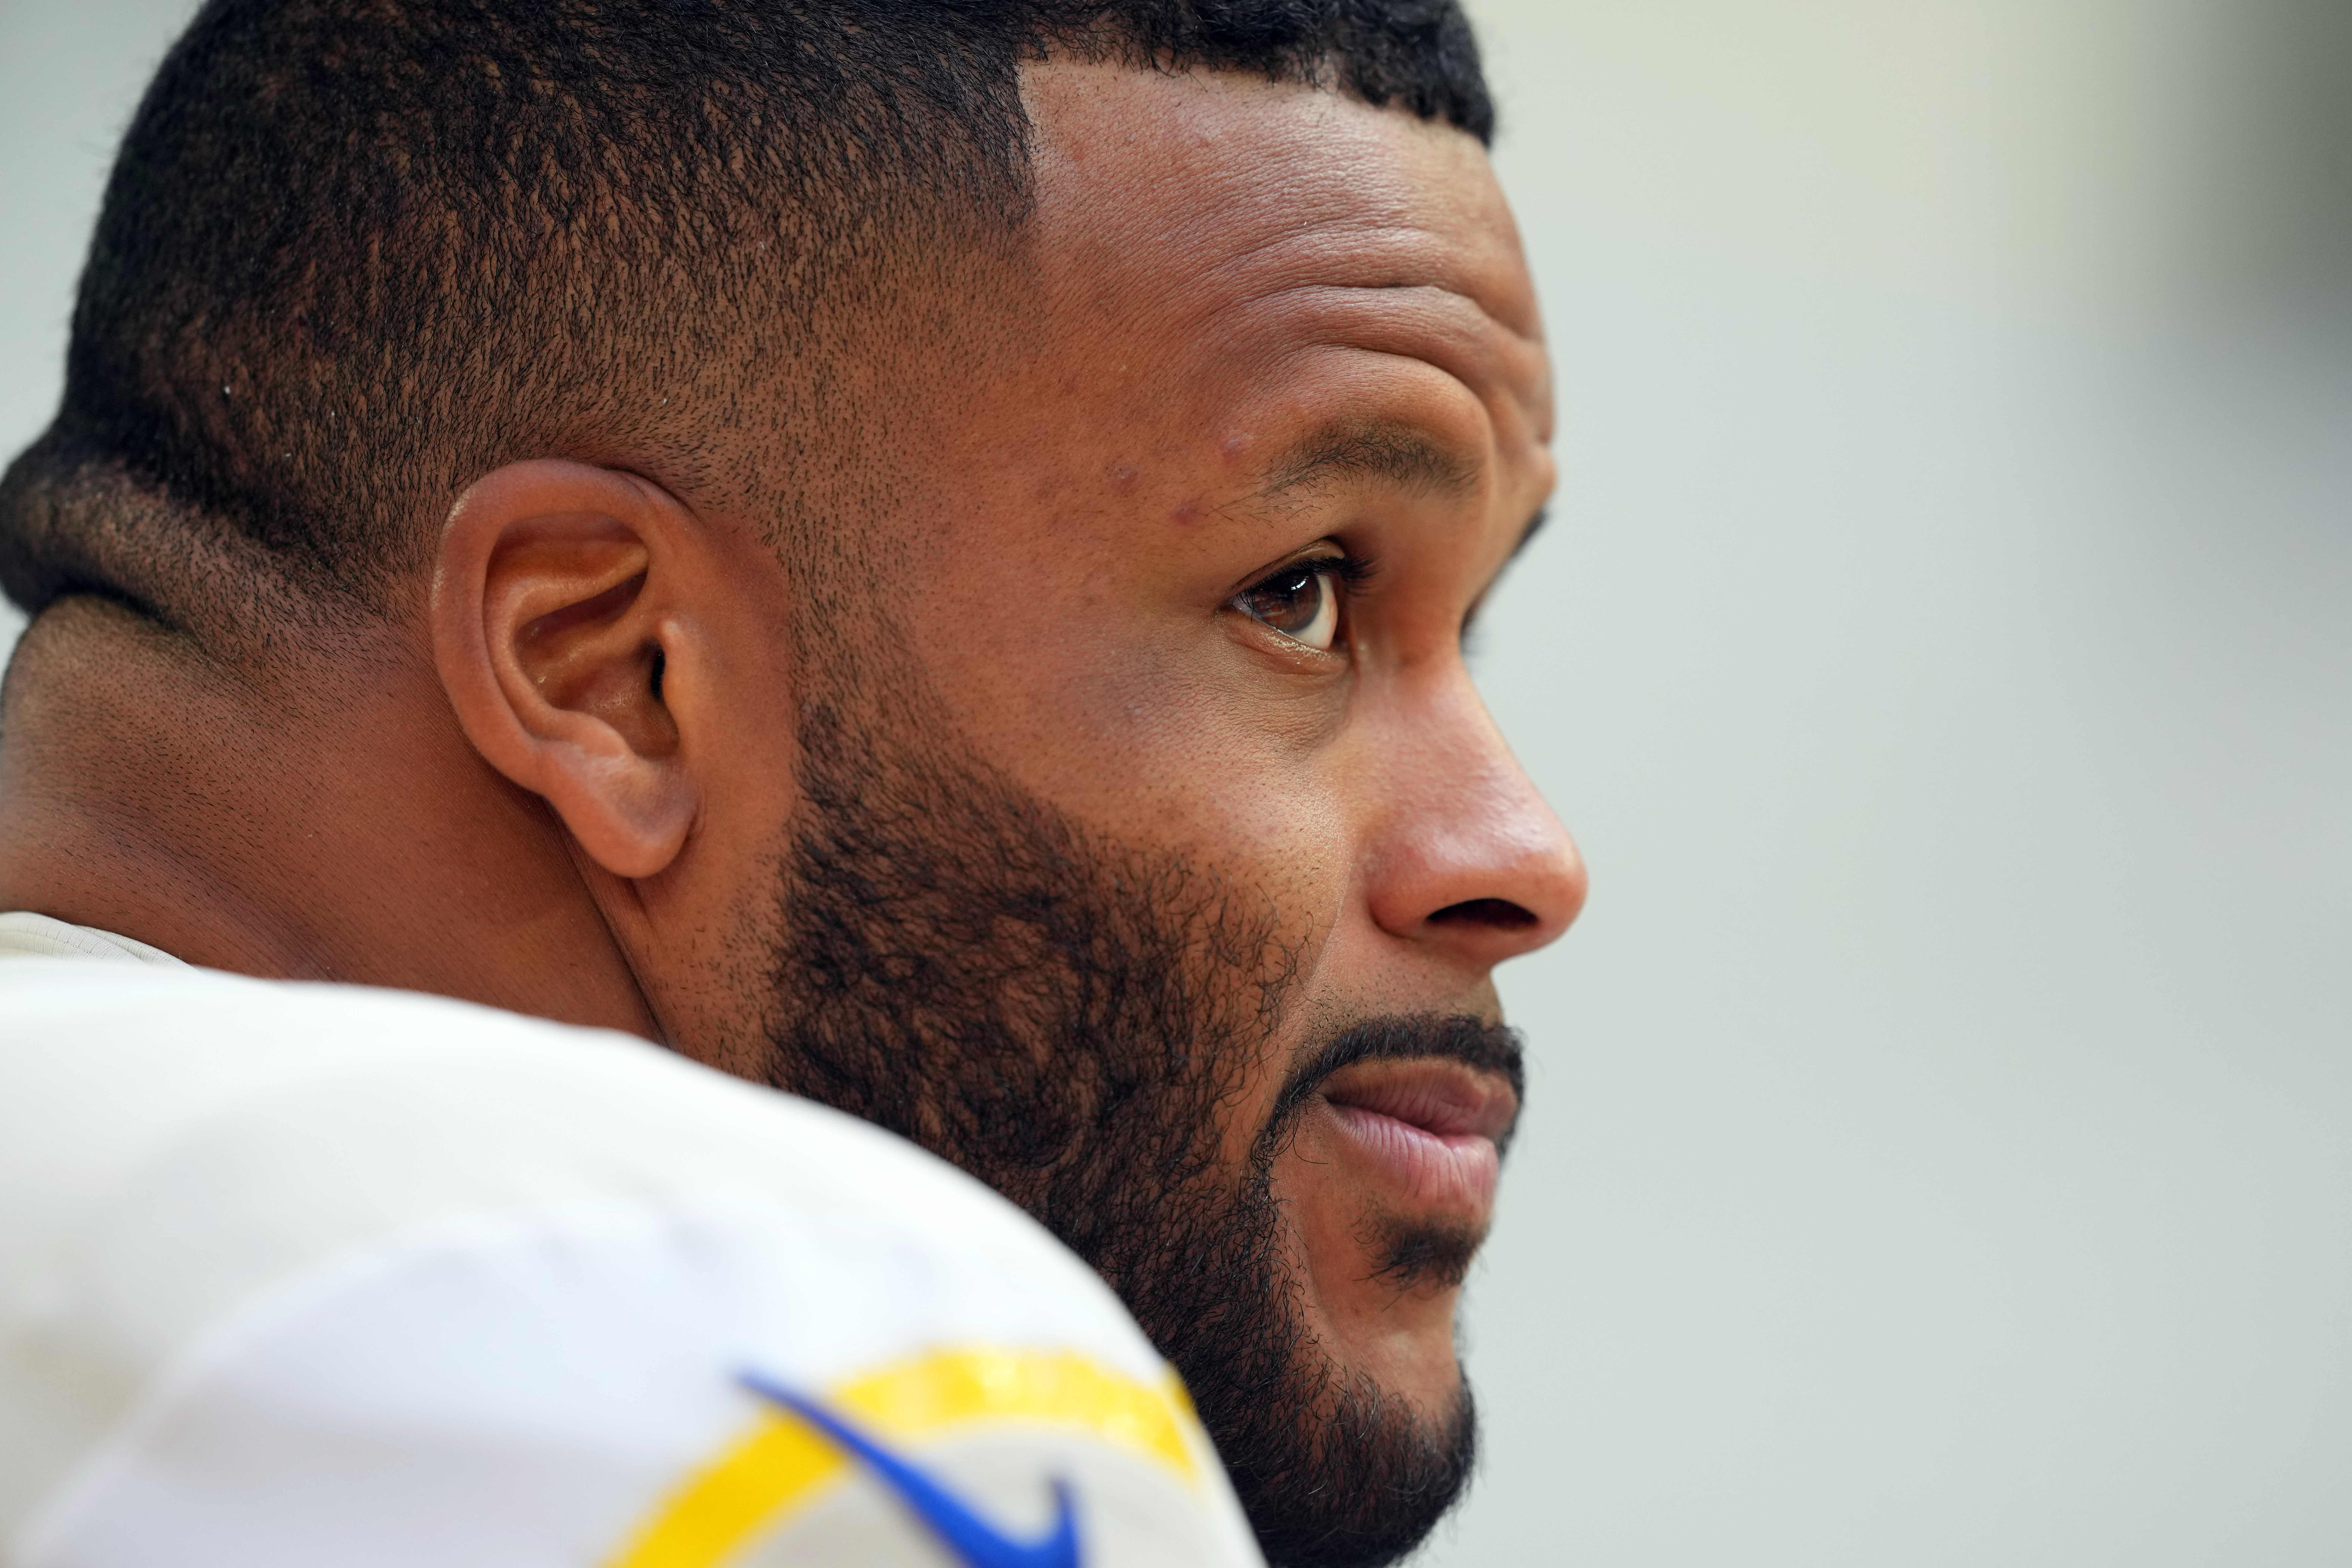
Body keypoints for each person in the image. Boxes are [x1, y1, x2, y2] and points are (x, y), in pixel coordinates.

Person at [0, 2, 1585, 1565]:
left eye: (1469, 627)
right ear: (614, 673)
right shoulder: (794, 1370)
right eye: (1298, 598)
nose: (1528, 857)